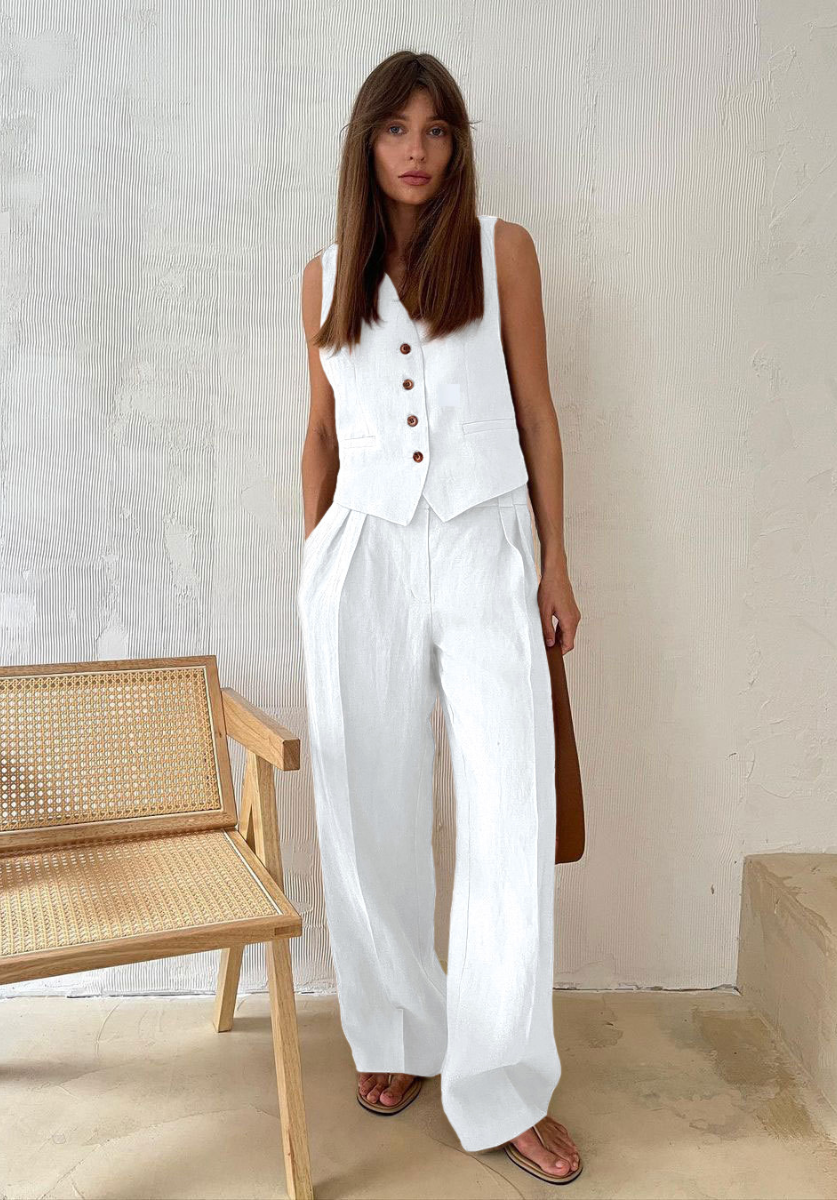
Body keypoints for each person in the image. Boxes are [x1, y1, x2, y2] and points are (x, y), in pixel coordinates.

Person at [296, 51, 582, 1184]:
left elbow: (540, 412)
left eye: (437, 130)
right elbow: (316, 434)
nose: (416, 151)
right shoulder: (321, 276)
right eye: (394, 130)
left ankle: (503, 1080)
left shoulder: (501, 249)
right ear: (366, 146)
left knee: (510, 815)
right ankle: (402, 1035)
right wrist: (314, 562)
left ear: (457, 146)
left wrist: (556, 561)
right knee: (369, 809)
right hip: (361, 552)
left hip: (483, 541)